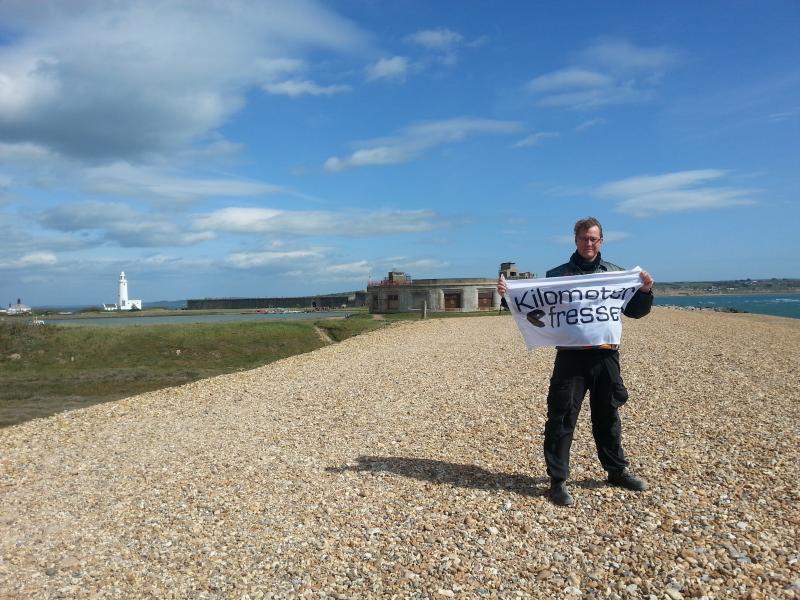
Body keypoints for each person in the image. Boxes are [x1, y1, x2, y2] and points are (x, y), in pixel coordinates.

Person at [498, 217, 654, 506]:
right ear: (576, 240)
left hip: (606, 356)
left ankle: (616, 472)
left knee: (608, 417)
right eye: (584, 238)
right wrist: (510, 297)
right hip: (570, 358)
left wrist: (644, 291)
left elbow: (636, 312)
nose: (589, 243)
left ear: (601, 241)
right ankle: (558, 481)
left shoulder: (615, 274)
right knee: (561, 418)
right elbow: (534, 306)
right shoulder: (557, 275)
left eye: (594, 238)